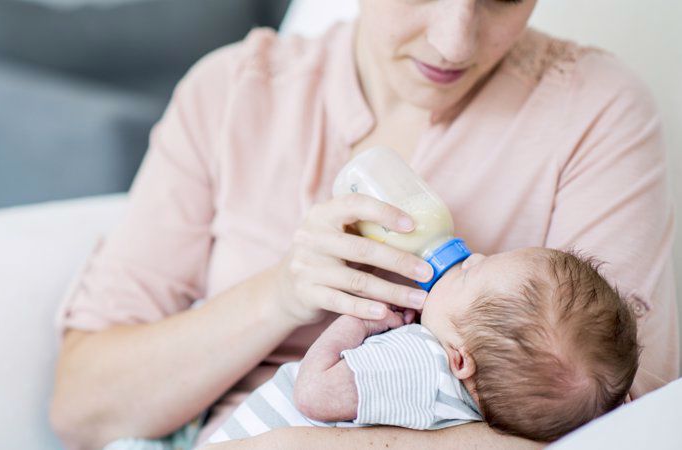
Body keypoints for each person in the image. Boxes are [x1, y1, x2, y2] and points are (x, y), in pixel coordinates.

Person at [49, 0, 678, 448]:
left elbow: (612, 423)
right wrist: (281, 294)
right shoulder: (233, 93)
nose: (454, 40)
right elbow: (82, 407)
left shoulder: (595, 111)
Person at [207, 248, 640, 444]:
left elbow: (314, 394)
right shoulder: (484, 406)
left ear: (459, 359)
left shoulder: (421, 363)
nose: (469, 259)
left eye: (471, 274)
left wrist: (356, 323)